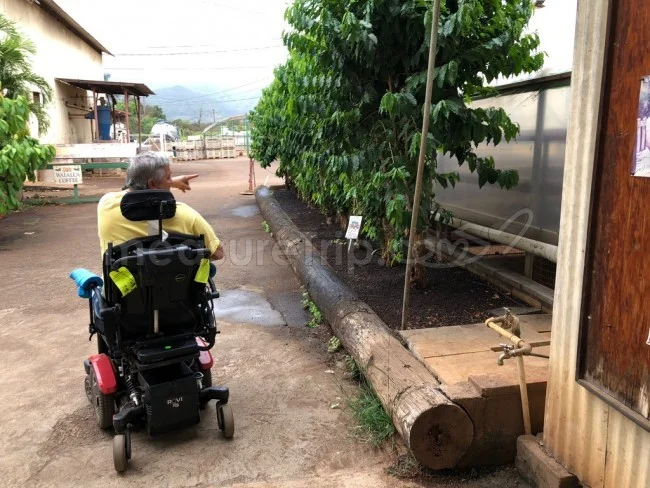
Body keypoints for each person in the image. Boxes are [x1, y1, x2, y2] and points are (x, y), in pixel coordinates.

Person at [97, 152, 225, 260]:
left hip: (121, 288)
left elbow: (131, 191)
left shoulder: (106, 204)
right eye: (168, 177)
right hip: (176, 287)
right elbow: (218, 253)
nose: (171, 181)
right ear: (153, 184)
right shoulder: (185, 215)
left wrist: (168, 182)